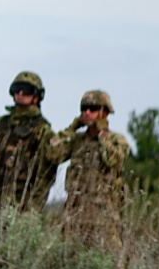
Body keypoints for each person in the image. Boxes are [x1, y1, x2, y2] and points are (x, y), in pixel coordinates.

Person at [50, 88, 130, 246]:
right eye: (83, 109)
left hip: (105, 218)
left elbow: (113, 159)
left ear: (105, 112)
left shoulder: (117, 140)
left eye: (92, 109)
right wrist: (72, 128)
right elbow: (52, 154)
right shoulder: (77, 140)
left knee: (105, 263)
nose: (87, 112)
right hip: (75, 215)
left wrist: (102, 135)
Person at [0, 71, 56, 218]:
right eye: (16, 89)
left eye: (26, 90)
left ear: (36, 96)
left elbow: (46, 176)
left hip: (20, 206)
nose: (20, 93)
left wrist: (31, 210)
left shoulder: (42, 130)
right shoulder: (2, 123)